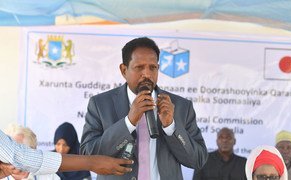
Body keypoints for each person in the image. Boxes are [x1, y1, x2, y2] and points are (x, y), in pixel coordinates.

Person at [80, 37, 208, 180]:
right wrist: (128, 123)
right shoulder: (100, 104)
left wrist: (171, 127)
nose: (147, 74)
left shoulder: (181, 106)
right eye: (139, 67)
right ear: (124, 70)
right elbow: (87, 155)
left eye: (152, 67)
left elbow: (198, 160)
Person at [0, 129, 133, 179]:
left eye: (65, 144)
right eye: (58, 144)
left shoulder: (49, 176)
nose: (61, 148)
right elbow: (21, 157)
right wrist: (92, 162)